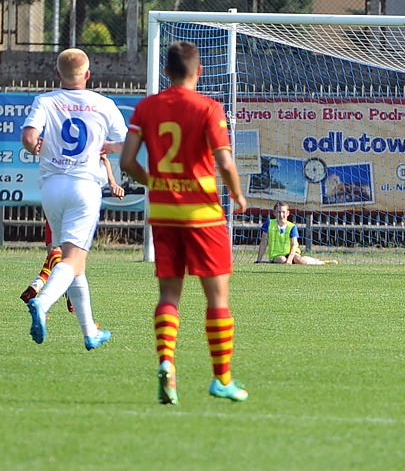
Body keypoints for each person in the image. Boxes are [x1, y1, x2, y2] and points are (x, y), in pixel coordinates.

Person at [120, 40, 249, 405]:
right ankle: (221, 378)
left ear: (165, 71)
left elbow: (127, 162)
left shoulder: (147, 106)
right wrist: (238, 195)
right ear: (200, 71)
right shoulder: (209, 107)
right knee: (217, 298)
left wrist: (156, 183)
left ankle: (166, 363)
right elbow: (224, 163)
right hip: (203, 216)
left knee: (168, 295)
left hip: (163, 214)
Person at [21, 48, 128, 351]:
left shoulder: (46, 100)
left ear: (58, 75)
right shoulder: (102, 103)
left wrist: (36, 148)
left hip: (52, 188)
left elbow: (29, 139)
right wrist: (103, 146)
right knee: (72, 258)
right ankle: (42, 302)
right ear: (88, 75)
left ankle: (89, 332)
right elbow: (124, 143)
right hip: (84, 187)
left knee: (73, 259)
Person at [20, 152, 125, 306]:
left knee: (57, 254)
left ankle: (39, 288)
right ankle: (66, 297)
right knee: (73, 258)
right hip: (78, 199)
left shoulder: (59, 131)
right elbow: (107, 154)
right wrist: (112, 182)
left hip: (57, 196)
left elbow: (103, 156)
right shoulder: (86, 131)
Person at [256, 202, 339, 265]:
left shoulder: (292, 226)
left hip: (291, 253)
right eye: (278, 212)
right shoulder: (269, 224)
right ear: (274, 213)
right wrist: (258, 259)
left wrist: (289, 259)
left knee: (299, 260)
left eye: (283, 212)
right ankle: (268, 262)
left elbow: (294, 245)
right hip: (277, 255)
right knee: (281, 260)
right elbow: (263, 242)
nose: (281, 215)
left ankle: (321, 262)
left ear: (287, 213)